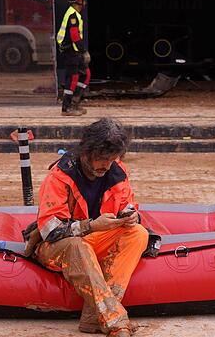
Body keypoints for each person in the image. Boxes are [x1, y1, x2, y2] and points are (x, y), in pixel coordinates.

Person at [27, 118, 148, 336]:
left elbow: (127, 204)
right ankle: (115, 321)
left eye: (112, 159)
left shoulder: (116, 170)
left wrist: (130, 215)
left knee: (138, 233)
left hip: (94, 240)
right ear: (86, 152)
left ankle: (93, 318)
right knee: (76, 246)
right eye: (103, 159)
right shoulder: (60, 176)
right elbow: (49, 230)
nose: (107, 165)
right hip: (56, 247)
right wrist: (90, 226)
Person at [57, 0, 91, 116]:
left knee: (85, 74)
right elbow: (74, 36)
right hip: (70, 52)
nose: (84, 2)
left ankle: (75, 102)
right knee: (73, 77)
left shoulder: (75, 14)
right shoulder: (72, 15)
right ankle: (67, 107)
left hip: (75, 51)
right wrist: (84, 52)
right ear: (77, 0)